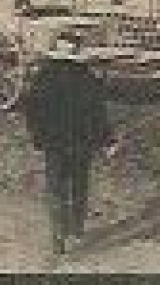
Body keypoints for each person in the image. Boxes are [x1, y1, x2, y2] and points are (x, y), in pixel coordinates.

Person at [21, 34, 118, 255]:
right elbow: (98, 113)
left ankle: (58, 235)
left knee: (56, 190)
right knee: (79, 186)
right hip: (80, 144)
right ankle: (76, 228)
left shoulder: (43, 77)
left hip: (54, 146)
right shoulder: (86, 78)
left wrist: (38, 139)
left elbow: (32, 112)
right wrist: (108, 140)